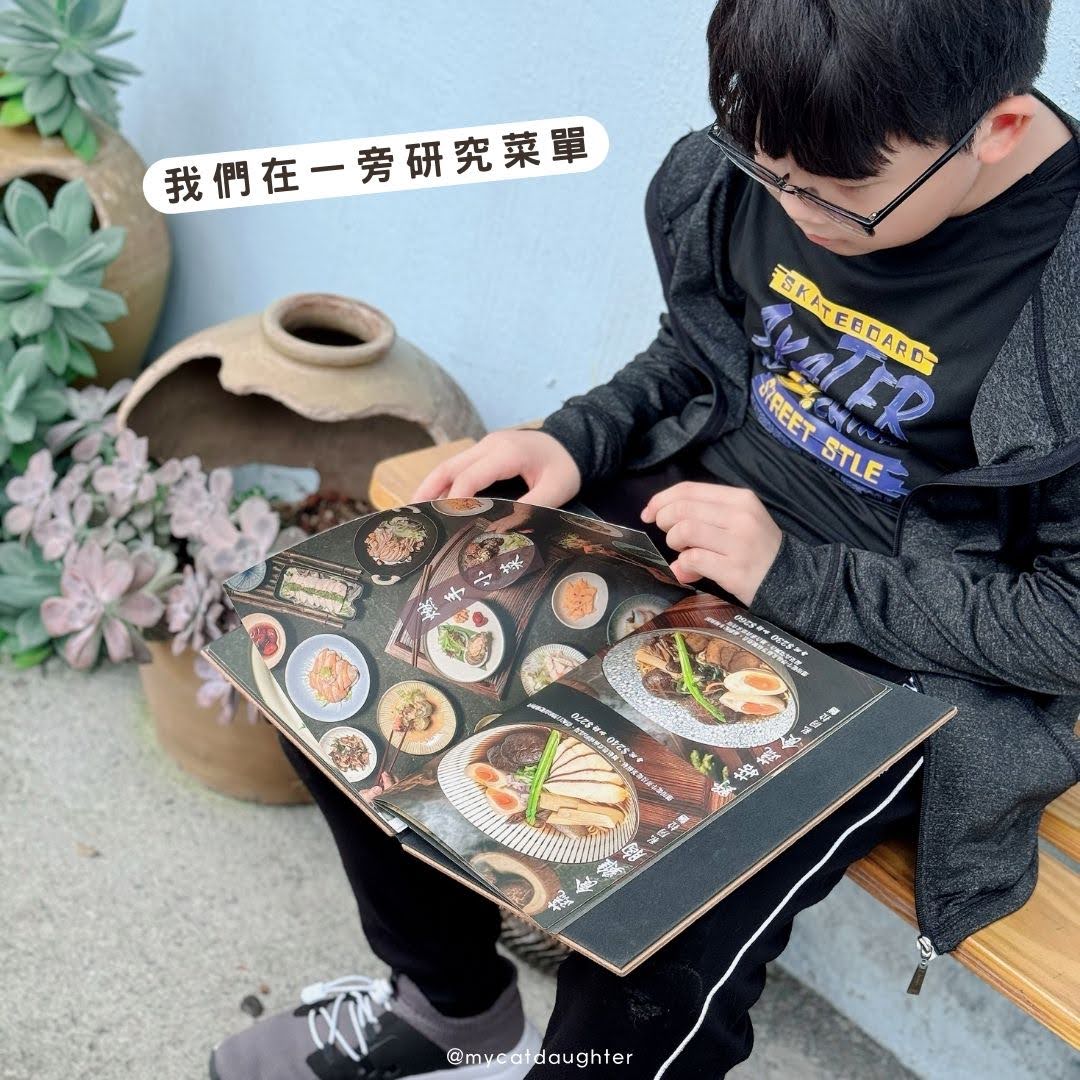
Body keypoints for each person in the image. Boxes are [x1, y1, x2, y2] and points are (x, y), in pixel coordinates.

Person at [211, 2, 1080, 1077]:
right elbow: (701, 351)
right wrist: (575, 439)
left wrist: (797, 577)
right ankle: (452, 1017)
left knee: (658, 921)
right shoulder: (782, 148)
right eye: (767, 171)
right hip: (688, 520)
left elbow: (1065, 624)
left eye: (838, 196)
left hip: (897, 642)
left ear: (996, 129)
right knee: (334, 657)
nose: (793, 209)